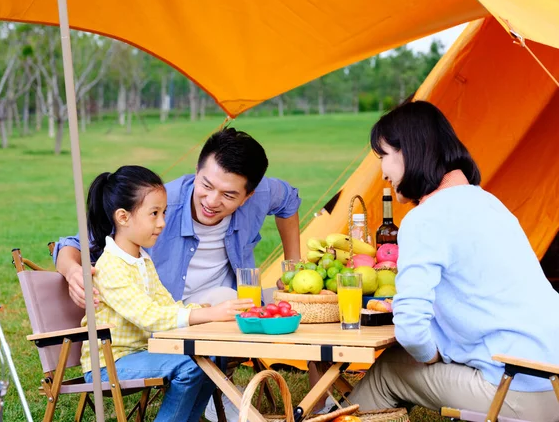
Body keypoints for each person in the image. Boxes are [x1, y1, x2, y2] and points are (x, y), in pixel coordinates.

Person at [346, 101, 559, 420]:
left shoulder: (426, 218)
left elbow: (411, 330)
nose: (383, 172)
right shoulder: (489, 204)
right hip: (552, 380)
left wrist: (430, 355)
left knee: (388, 369)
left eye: (383, 157)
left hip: (517, 390)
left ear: (408, 152)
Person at [54, 127, 301, 307]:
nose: (212, 201)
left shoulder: (261, 194)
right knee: (229, 299)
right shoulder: (158, 205)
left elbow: (289, 200)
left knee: (305, 304)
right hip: (167, 312)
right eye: (206, 185)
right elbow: (72, 245)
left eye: (228, 194)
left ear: (248, 195)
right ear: (196, 170)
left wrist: (293, 266)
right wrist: (73, 272)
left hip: (231, 304)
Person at [81, 165, 253, 422]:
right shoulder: (110, 266)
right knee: (190, 367)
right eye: (154, 214)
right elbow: (149, 317)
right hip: (110, 363)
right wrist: (208, 314)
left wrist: (208, 311)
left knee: (212, 357)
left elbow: (168, 306)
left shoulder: (142, 260)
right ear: (123, 217)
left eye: (163, 212)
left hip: (143, 353)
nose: (162, 222)